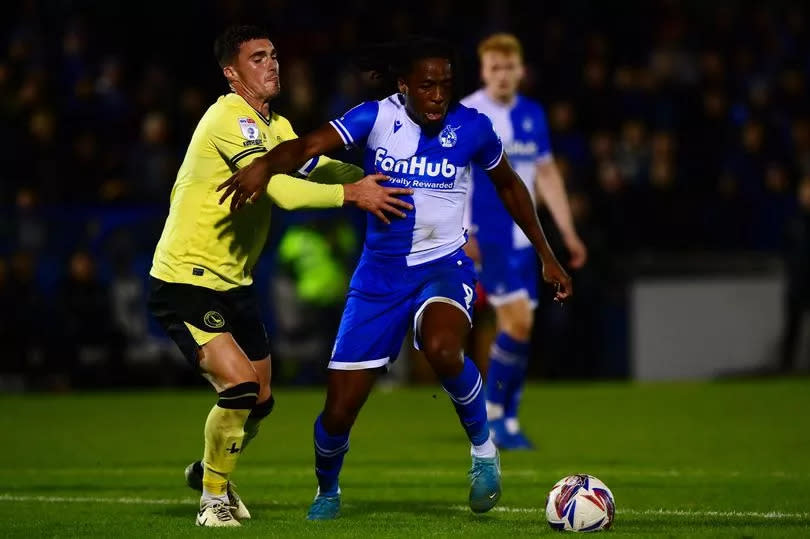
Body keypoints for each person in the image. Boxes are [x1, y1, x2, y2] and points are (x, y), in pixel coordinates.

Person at [218, 37, 572, 520]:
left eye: (445, 85)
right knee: (339, 412)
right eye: (426, 86)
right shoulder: (376, 118)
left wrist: (546, 255)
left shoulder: (472, 128)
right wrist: (264, 164)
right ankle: (328, 491)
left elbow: (509, 183)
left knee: (444, 348)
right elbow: (307, 144)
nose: (437, 96)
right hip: (379, 278)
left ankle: (484, 453)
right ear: (404, 85)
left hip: (444, 266)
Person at [147, 25, 413, 528]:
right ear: (232, 73)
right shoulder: (228, 118)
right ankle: (212, 498)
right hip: (186, 278)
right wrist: (353, 196)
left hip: (235, 282)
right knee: (241, 388)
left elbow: (314, 167)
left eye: (273, 55)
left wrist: (373, 179)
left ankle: (211, 467)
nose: (272, 64)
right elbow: (283, 191)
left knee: (262, 402)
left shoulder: (278, 126)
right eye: (257, 58)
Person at [460, 34, 587, 450]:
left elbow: (546, 176)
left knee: (523, 328)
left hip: (524, 241)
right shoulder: (471, 112)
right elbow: (455, 175)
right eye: (493, 68)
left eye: (507, 67)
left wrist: (566, 233)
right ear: (483, 72)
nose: (501, 75)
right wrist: (464, 230)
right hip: (488, 235)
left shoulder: (533, 114)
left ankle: (508, 417)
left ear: (520, 70)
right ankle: (494, 417)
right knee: (516, 322)